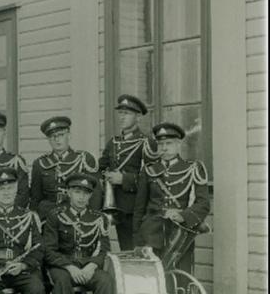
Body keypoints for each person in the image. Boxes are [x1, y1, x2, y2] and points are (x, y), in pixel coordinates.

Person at [43, 173, 115, 294]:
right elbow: (49, 251)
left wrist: (92, 265)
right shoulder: (55, 216)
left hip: (88, 266)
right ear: (68, 192)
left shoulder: (99, 218)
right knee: (61, 282)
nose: (81, 197)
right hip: (62, 266)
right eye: (77, 192)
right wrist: (70, 267)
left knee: (105, 281)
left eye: (86, 193)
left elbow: (105, 249)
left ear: (91, 195)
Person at [133, 122, 210, 274]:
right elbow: (139, 208)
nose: (164, 148)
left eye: (169, 143)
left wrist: (183, 215)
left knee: (180, 276)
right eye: (160, 144)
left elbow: (203, 204)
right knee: (152, 278)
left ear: (178, 144)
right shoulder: (149, 170)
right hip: (151, 234)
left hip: (180, 234)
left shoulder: (193, 168)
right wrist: (137, 241)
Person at [98, 94, 159, 251]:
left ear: (137, 117)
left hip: (137, 210)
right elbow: (100, 168)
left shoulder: (147, 143)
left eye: (127, 113)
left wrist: (124, 179)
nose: (122, 117)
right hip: (117, 209)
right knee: (125, 252)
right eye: (121, 113)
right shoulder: (113, 143)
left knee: (138, 253)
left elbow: (153, 179)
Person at [31, 116, 102, 221]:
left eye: (61, 135)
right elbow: (36, 198)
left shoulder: (84, 159)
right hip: (48, 218)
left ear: (69, 135)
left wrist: (90, 219)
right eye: (52, 136)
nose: (57, 139)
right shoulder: (40, 163)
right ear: (48, 140)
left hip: (77, 216)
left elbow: (95, 195)